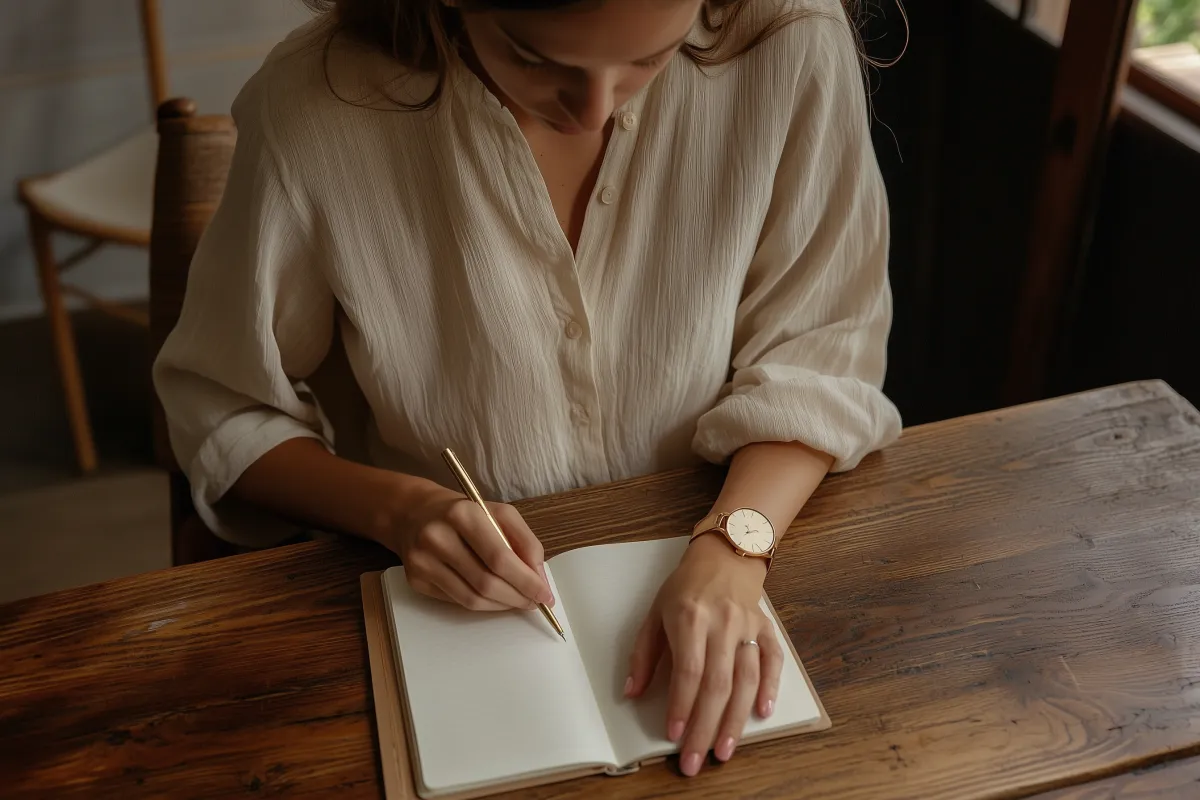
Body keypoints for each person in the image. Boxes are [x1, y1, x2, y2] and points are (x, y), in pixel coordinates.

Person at [153, 0, 902, 778]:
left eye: (650, 59)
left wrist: (734, 548)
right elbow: (222, 405)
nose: (594, 111)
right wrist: (401, 511)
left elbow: (822, 348)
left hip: (743, 547)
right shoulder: (317, 107)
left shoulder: (786, 42)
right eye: (536, 59)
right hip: (442, 618)